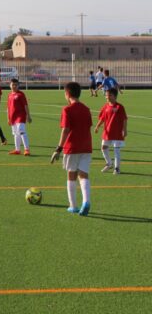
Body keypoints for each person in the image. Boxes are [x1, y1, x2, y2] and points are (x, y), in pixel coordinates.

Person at [50, 82, 93, 216]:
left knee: (71, 175)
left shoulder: (67, 110)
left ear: (67, 94)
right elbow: (88, 126)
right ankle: (86, 200)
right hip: (86, 146)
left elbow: (66, 130)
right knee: (84, 174)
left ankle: (73, 206)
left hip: (72, 147)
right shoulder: (86, 109)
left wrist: (58, 149)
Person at [95, 87, 127, 175]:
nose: (107, 96)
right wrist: (97, 126)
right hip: (107, 132)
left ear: (115, 96)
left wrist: (124, 130)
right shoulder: (105, 106)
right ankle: (109, 163)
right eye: (106, 94)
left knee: (116, 150)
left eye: (110, 95)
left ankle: (117, 168)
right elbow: (102, 118)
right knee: (103, 147)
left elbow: (124, 119)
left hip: (117, 132)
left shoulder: (119, 107)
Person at [6, 78, 32, 156]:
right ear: (10, 85)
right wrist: (8, 118)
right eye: (12, 85)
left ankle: (27, 149)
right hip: (12, 117)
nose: (14, 86)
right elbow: (8, 107)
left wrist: (28, 116)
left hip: (20, 116)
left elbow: (25, 105)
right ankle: (17, 150)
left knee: (21, 131)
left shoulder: (21, 94)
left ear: (18, 86)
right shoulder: (10, 95)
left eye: (16, 85)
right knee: (15, 133)